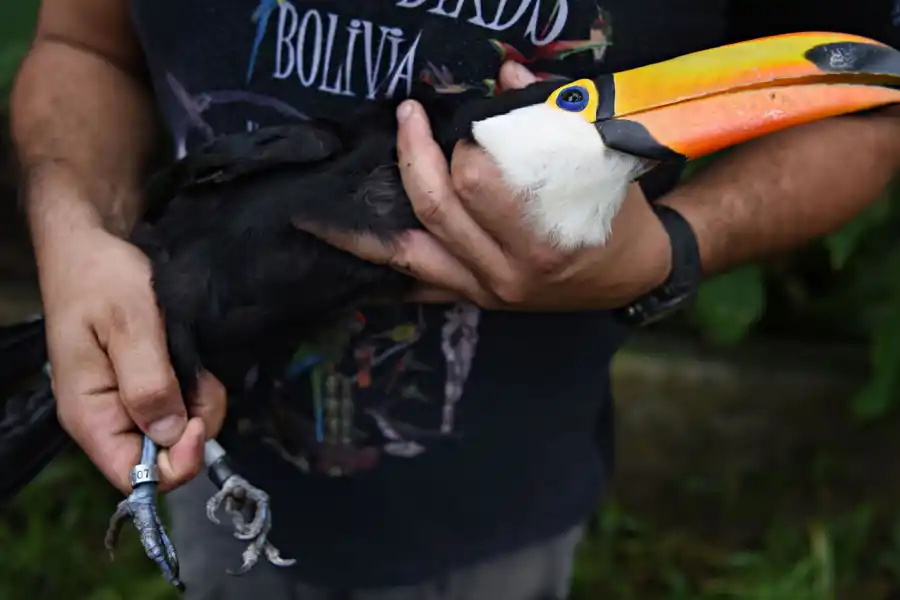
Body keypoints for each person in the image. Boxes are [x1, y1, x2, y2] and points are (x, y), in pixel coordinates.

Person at [10, 1, 900, 599]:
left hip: (506, 501)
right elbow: (83, 43)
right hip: (216, 473)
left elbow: (870, 105)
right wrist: (74, 228)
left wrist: (670, 249)